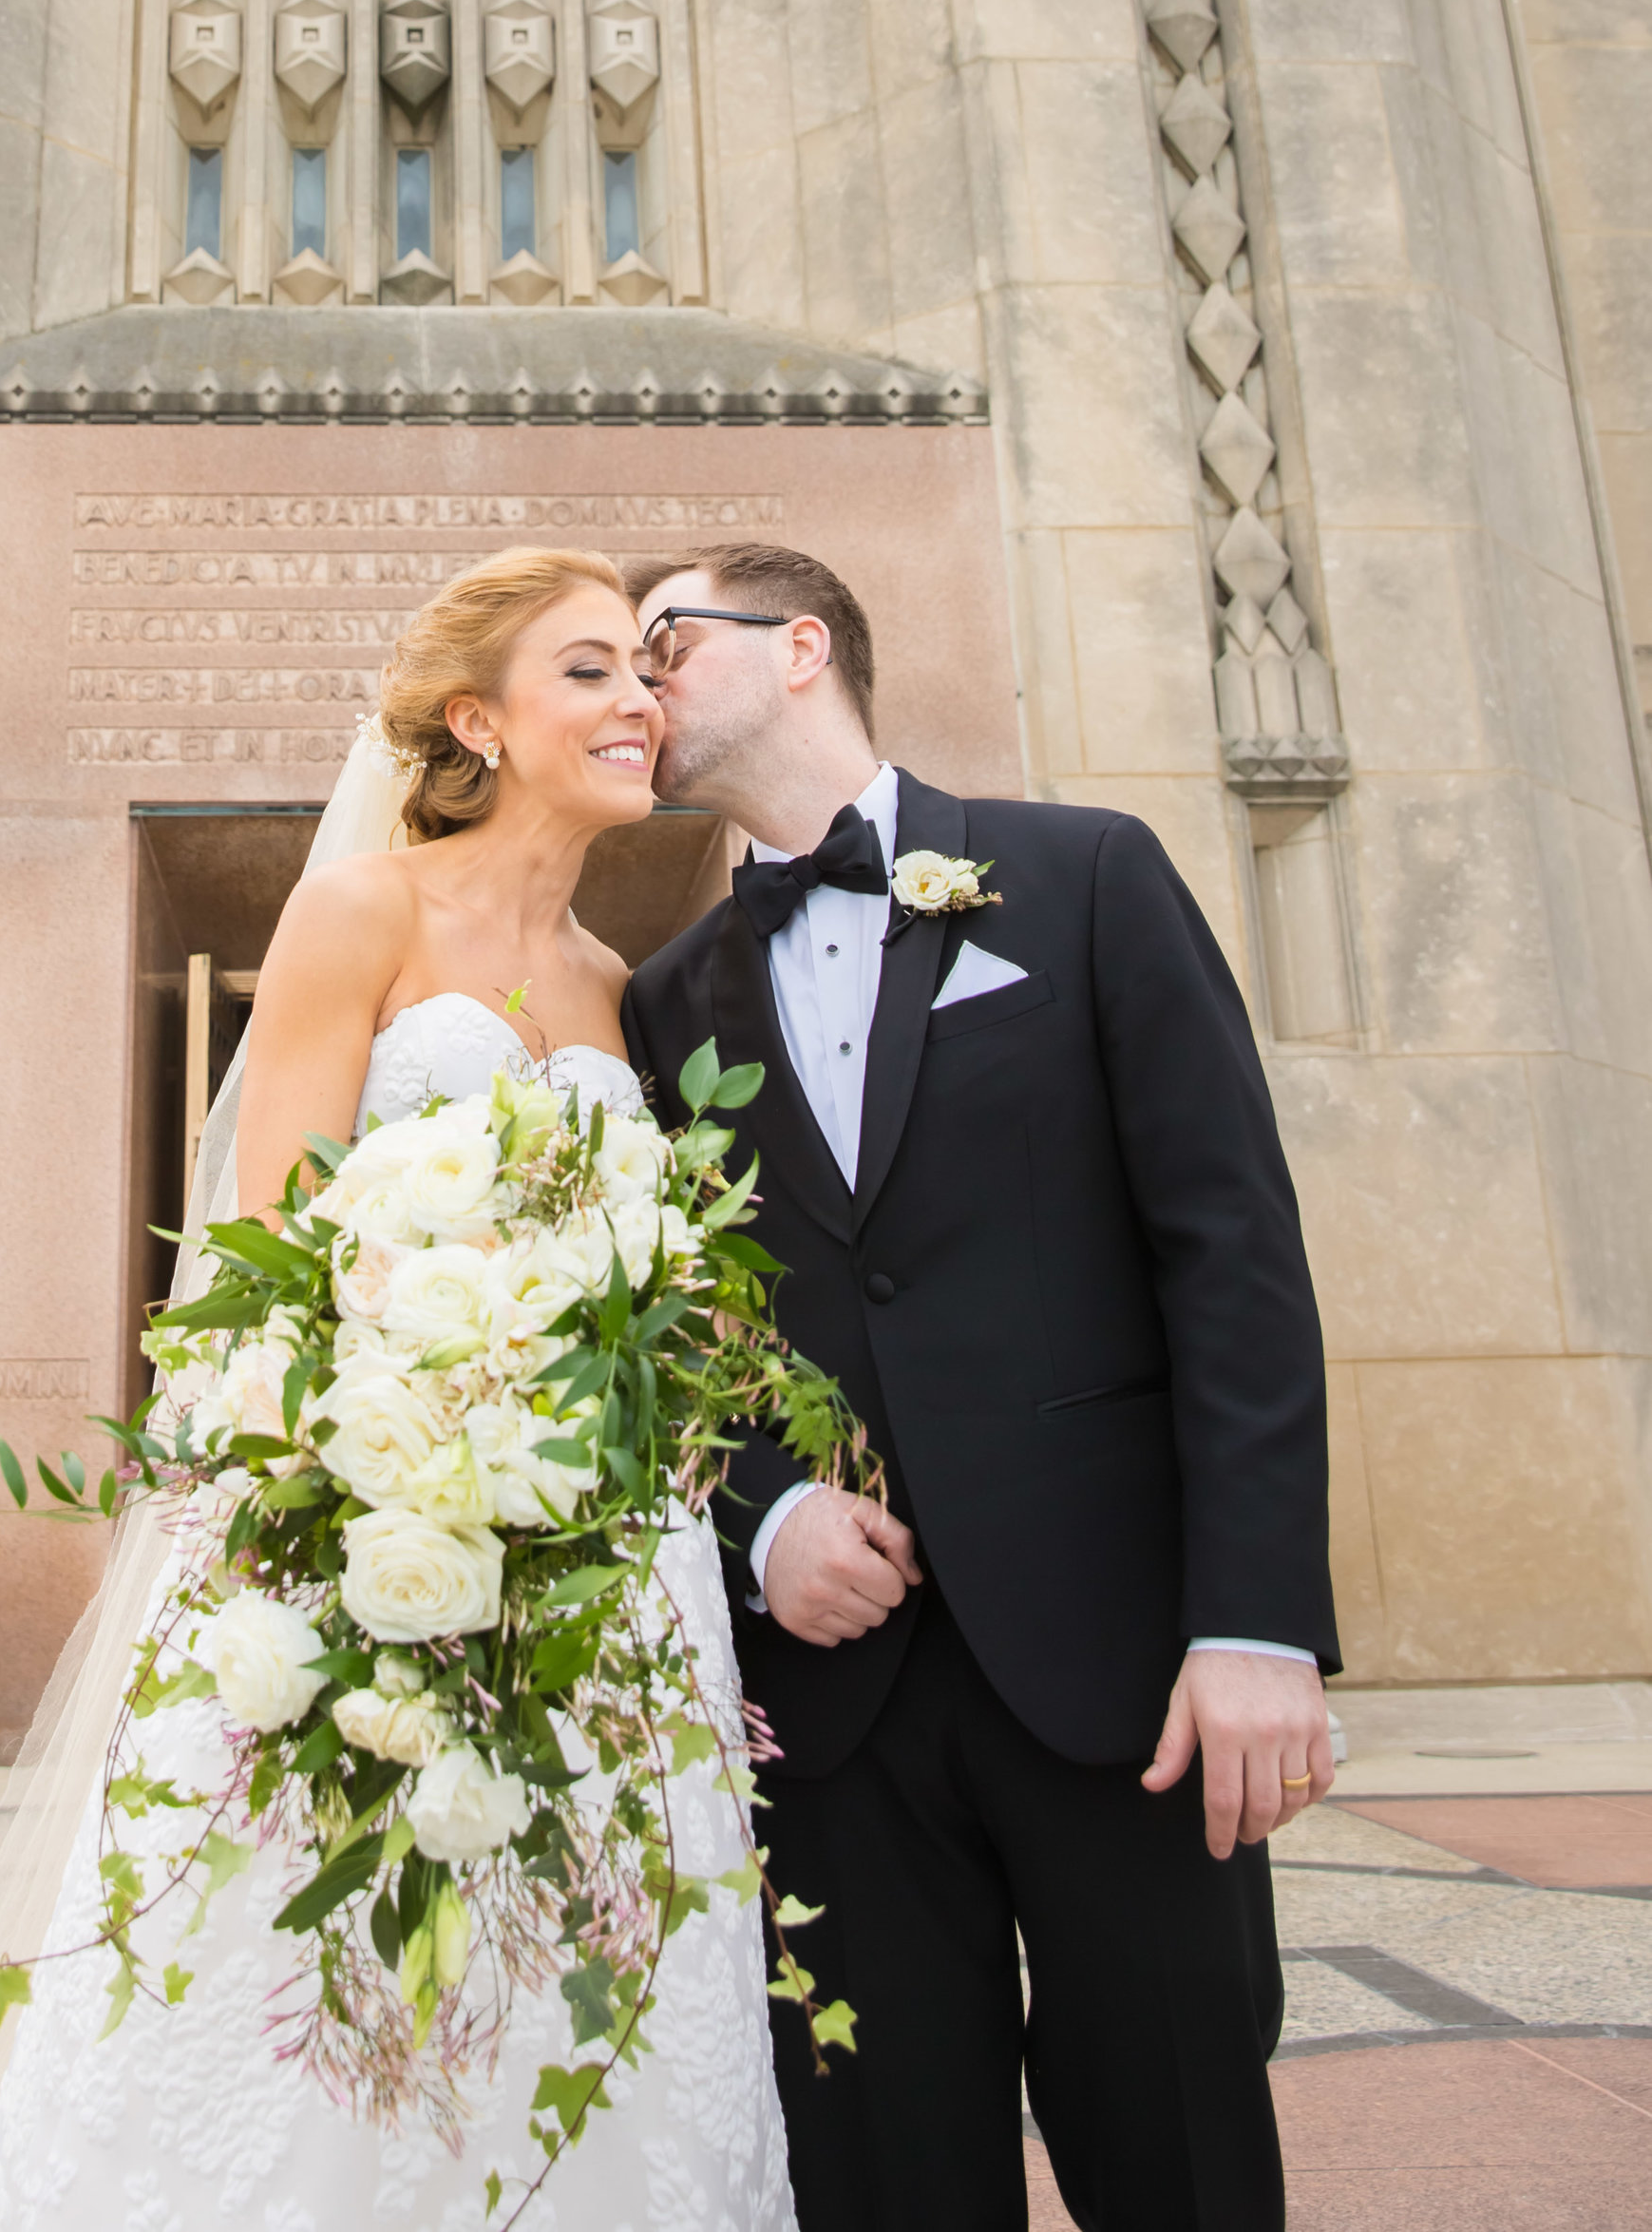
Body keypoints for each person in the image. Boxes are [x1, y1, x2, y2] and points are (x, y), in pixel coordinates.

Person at [0, 544, 806, 2232]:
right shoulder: (366, 909)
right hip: (369, 1512)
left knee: (579, 1968)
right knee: (312, 1958)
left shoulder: (620, 993)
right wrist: (363, 1493)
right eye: (587, 671)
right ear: (471, 721)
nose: (638, 700)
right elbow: (264, 1244)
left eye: (643, 671)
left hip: (607, 1557)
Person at [617, 540, 1338, 2232]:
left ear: (801, 646)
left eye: (663, 642)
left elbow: (1231, 1258)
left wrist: (1257, 1622)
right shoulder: (659, 1007)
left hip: (1127, 1680)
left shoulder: (1083, 875)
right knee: (879, 2181)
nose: (635, 683)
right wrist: (763, 1514)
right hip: (833, 1708)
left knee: (1181, 2156)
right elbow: (662, 1331)